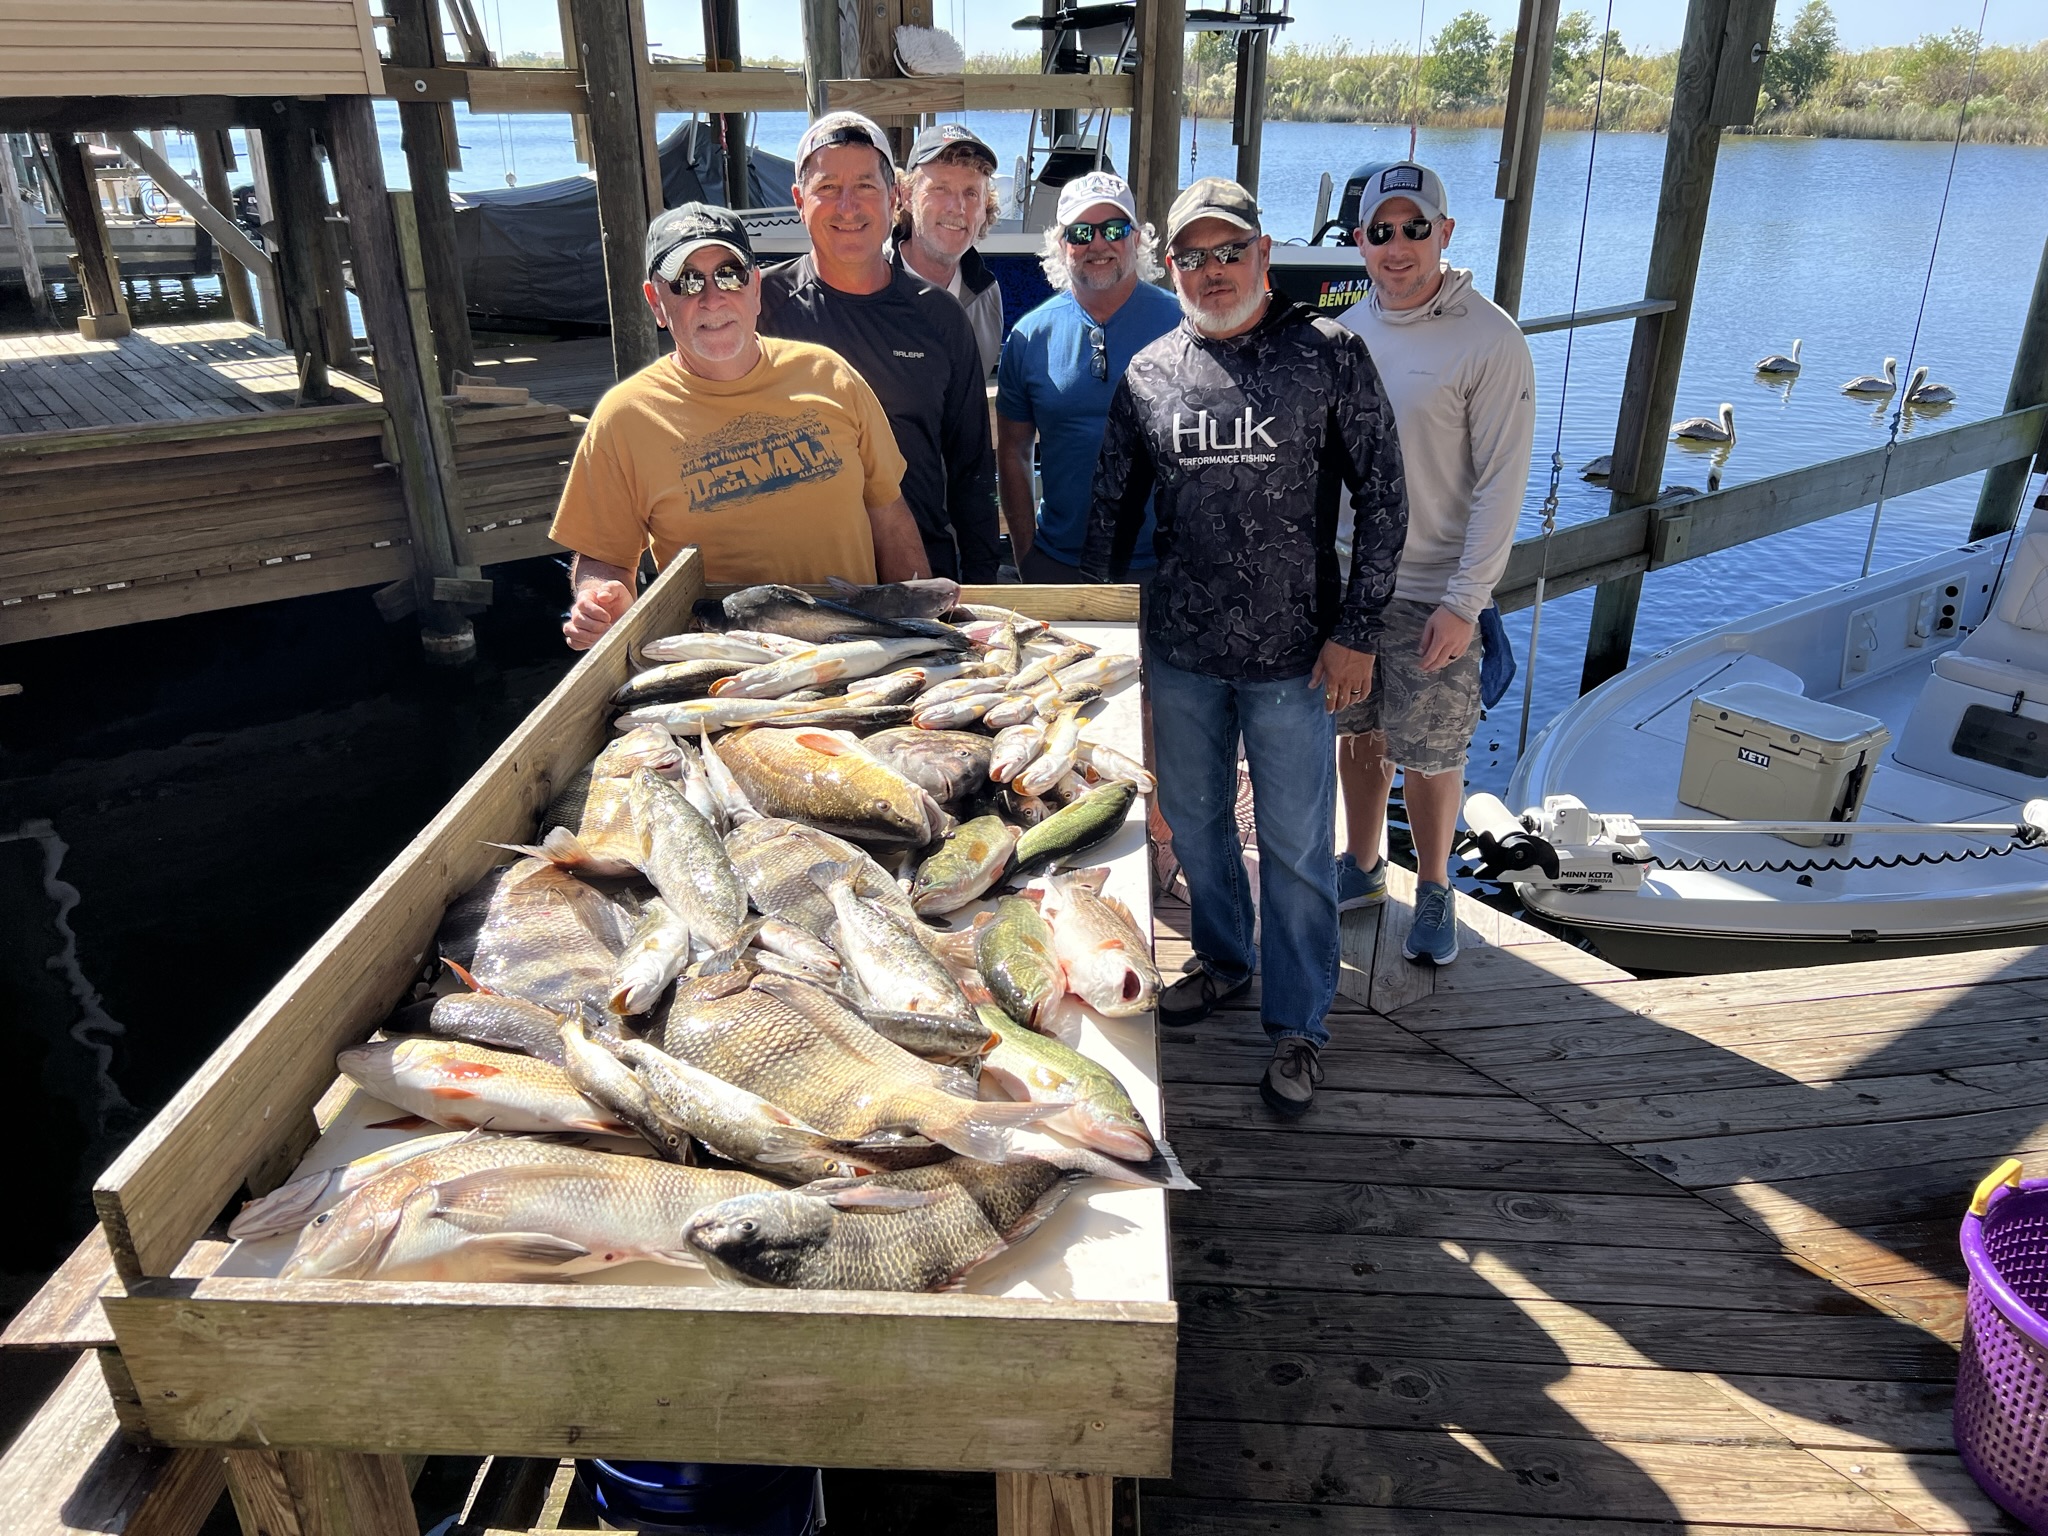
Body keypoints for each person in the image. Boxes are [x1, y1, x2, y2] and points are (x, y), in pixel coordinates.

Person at [1081, 178, 1407, 1117]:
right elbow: (1111, 514)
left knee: (1302, 846)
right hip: (1181, 650)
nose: (1212, 271)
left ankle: (1300, 1021)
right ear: (1168, 264)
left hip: (1297, 656)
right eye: (1192, 255)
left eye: (1230, 252)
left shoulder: (1330, 356)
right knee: (1195, 815)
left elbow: (1385, 502)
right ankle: (1223, 958)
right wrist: (1107, 637)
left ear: (1264, 256)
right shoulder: (1149, 373)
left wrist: (1358, 633)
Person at [552, 204, 929, 651]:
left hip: (854, 650)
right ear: (657, 302)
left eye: (728, 275)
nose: (711, 298)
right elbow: (605, 559)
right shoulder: (623, 417)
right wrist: (598, 598)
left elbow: (889, 514)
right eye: (687, 282)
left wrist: (925, 626)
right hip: (726, 664)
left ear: (755, 288)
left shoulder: (830, 374)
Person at [1331, 161, 1536, 966]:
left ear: (1445, 234)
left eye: (1417, 229)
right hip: (1354, 587)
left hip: (1437, 593)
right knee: (1358, 733)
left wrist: (1465, 599)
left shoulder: (1492, 339)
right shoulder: (1348, 333)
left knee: (1433, 750)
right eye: (1382, 231)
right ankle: (1363, 863)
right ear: (1360, 242)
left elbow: (1502, 483)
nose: (1399, 245)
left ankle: (1438, 885)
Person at [759, 111, 1000, 583]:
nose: (847, 207)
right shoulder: (759, 307)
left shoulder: (941, 317)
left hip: (921, 576)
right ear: (798, 201)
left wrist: (982, 580)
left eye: (866, 186)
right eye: (827, 187)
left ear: (893, 199)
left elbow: (972, 467)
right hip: (799, 583)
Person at [996, 171, 1179, 586]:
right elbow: (1013, 451)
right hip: (1060, 565)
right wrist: (1028, 559)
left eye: (1114, 228)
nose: (1098, 243)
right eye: (1080, 232)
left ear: (1136, 238)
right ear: (1061, 246)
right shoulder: (1029, 335)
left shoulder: (1182, 325)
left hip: (1168, 569)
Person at [892, 122, 1004, 377]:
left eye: (971, 193)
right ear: (907, 196)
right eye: (940, 189)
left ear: (985, 206)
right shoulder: (870, 284)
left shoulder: (987, 295)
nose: (957, 207)